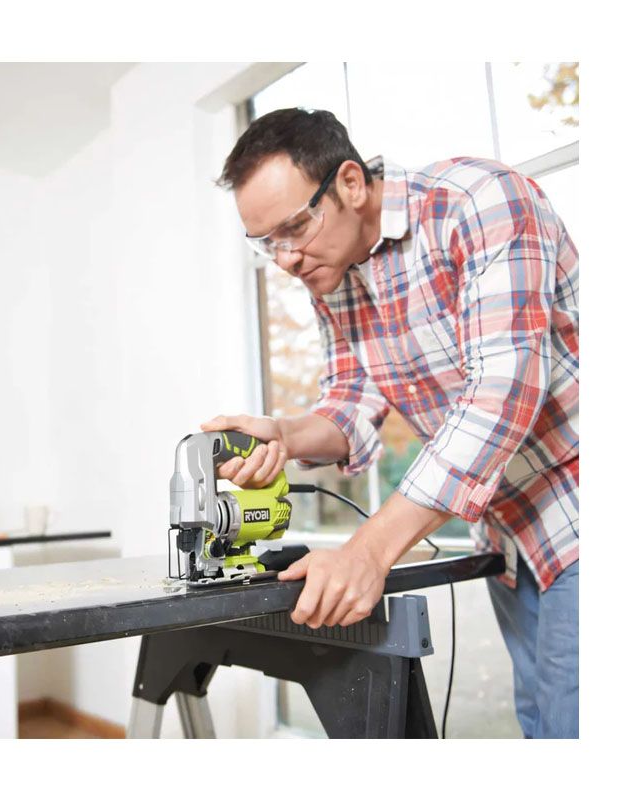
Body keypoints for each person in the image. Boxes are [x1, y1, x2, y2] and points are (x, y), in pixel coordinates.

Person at [202, 107, 578, 739]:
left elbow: (500, 392)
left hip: (579, 502)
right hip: (511, 530)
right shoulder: (333, 273)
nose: (286, 258)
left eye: (295, 227)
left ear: (350, 183)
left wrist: (369, 552)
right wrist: (286, 436)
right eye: (266, 242)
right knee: (542, 723)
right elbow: (351, 400)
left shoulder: (477, 203)